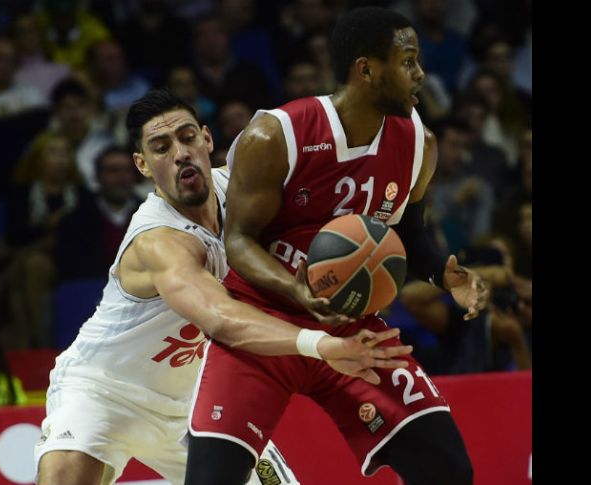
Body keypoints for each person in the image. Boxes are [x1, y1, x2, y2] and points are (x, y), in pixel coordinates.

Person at [34, 88, 415, 485]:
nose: (180, 153)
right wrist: (320, 344)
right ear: (142, 165)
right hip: (105, 392)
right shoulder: (158, 240)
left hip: (195, 399)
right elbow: (220, 318)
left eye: (186, 138)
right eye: (161, 148)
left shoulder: (243, 191)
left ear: (207, 139)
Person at [186, 7, 489, 485]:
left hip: (353, 329)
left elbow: (408, 232)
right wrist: (299, 291)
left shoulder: (418, 146)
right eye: (408, 61)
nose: (420, 74)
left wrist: (440, 275)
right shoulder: (278, 134)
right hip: (261, 321)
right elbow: (238, 240)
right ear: (366, 69)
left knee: (449, 469)